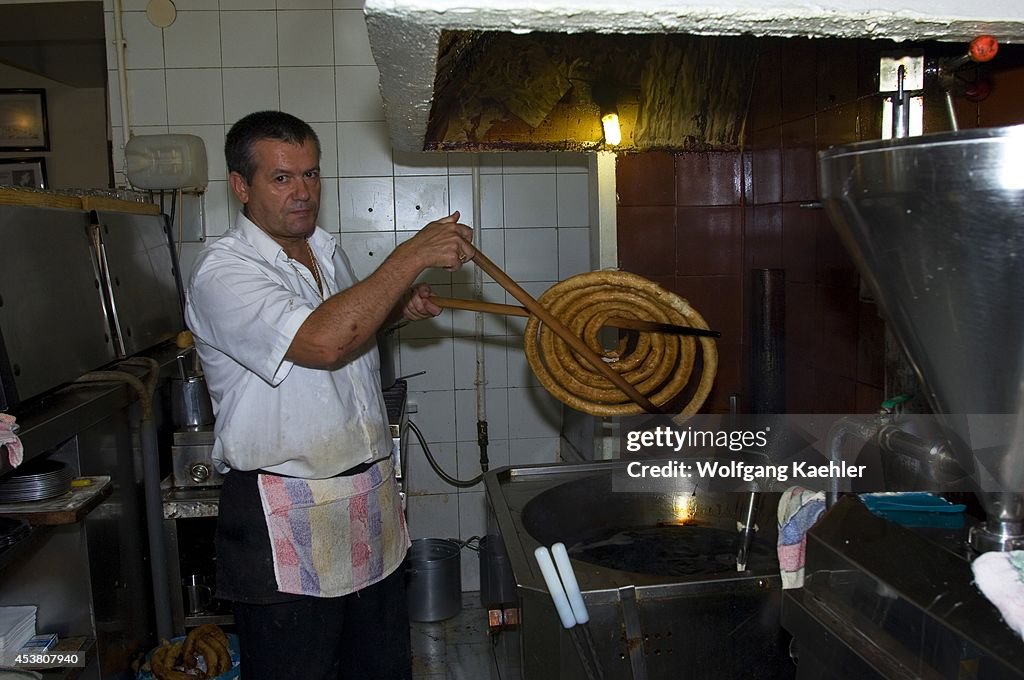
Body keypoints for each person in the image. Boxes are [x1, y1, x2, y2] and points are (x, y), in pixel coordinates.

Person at [184, 110, 474, 679]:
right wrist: (412, 253)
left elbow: (346, 332)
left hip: (366, 503)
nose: (303, 193)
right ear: (241, 186)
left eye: (312, 175)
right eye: (282, 178)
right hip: (283, 512)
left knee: (382, 668)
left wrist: (394, 312)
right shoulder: (224, 272)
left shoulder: (324, 250)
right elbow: (320, 341)